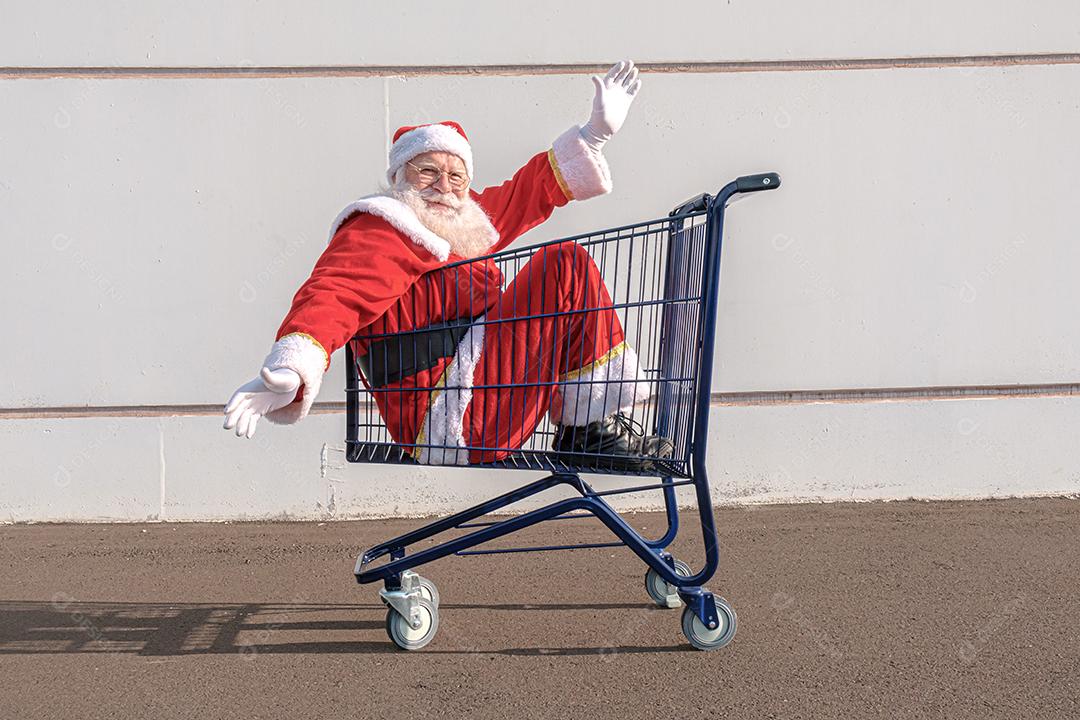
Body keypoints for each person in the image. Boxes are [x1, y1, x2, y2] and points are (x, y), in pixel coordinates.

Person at [224, 61, 671, 468]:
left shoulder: (461, 225)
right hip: (445, 412)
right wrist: (291, 367)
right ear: (400, 178)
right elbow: (336, 291)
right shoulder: (386, 226)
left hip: (478, 388)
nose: (445, 186)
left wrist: (594, 135)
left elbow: (524, 194)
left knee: (565, 268)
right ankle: (586, 433)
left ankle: (588, 430)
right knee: (565, 266)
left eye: (456, 176)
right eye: (428, 172)